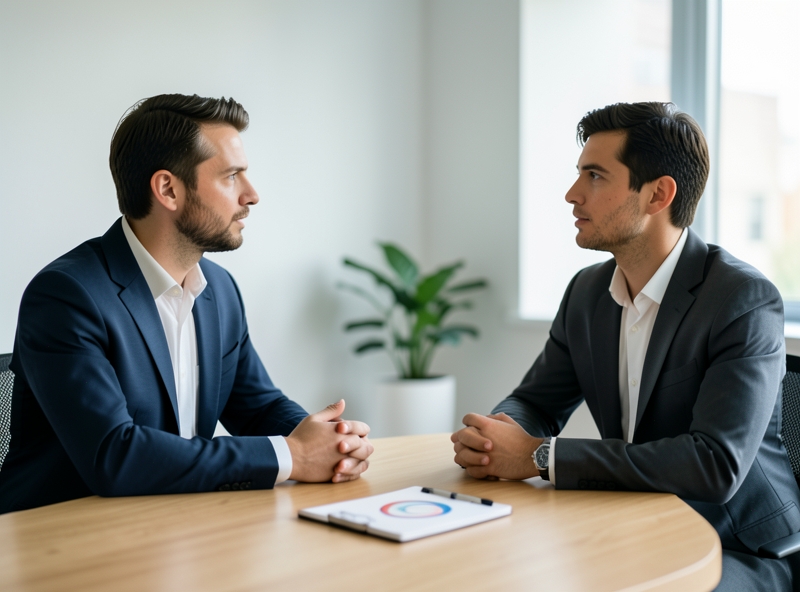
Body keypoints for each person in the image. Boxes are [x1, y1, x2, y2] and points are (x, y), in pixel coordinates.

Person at [451, 102, 800, 589]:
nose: (573, 195)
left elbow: (714, 464)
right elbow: (535, 401)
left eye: (595, 176)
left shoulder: (742, 299)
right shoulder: (587, 292)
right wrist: (497, 438)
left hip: (739, 549)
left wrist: (539, 456)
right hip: (637, 524)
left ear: (658, 194)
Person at [0, 94, 373, 514]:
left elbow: (259, 407)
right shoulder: (66, 296)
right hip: (58, 539)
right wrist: (292, 456)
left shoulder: (219, 290)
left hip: (168, 523)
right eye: (232, 177)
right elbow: (114, 456)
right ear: (168, 190)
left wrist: (333, 441)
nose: (251, 195)